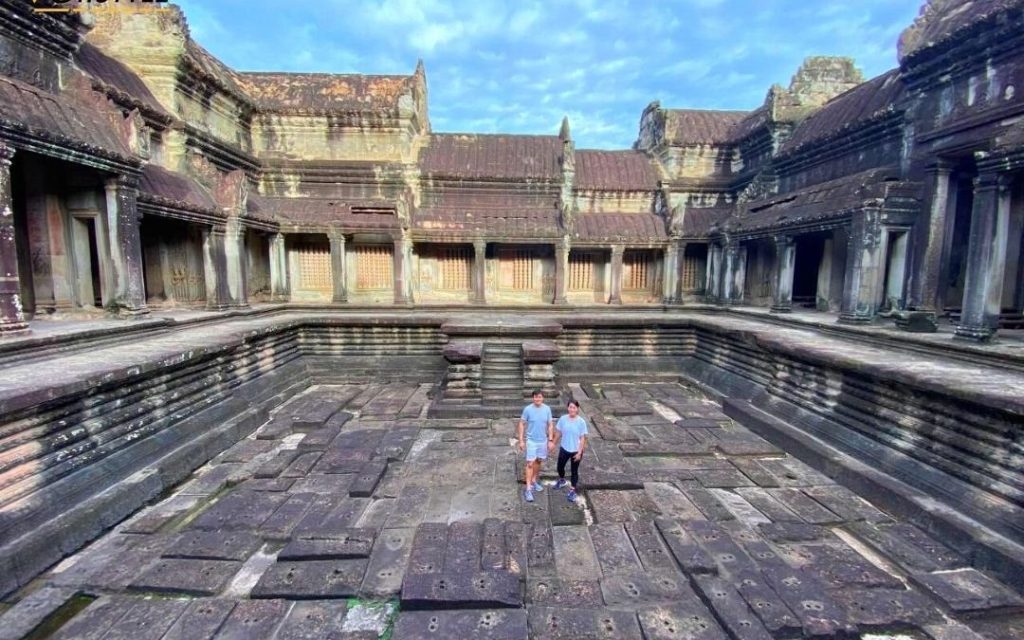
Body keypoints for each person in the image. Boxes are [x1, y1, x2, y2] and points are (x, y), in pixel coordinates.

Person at [518, 389, 554, 503]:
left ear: (542, 398)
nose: (537, 399)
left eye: (539, 397)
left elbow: (550, 425)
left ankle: (534, 480)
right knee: (529, 463)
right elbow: (521, 424)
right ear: (533, 398)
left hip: (542, 440)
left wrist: (550, 439)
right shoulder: (528, 409)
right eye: (535, 397)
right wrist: (521, 440)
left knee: (538, 461)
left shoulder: (547, 409)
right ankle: (528, 489)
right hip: (531, 441)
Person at [553, 399, 587, 502]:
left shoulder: (581, 422)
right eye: (570, 407)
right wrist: (553, 443)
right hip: (564, 448)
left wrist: (579, 452)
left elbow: (582, 438)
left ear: (577, 409)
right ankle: (562, 480)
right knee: (559, 467)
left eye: (574, 407)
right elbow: (558, 433)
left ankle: (572, 490)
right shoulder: (563, 419)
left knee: (574, 471)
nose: (572, 409)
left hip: (576, 451)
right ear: (568, 408)